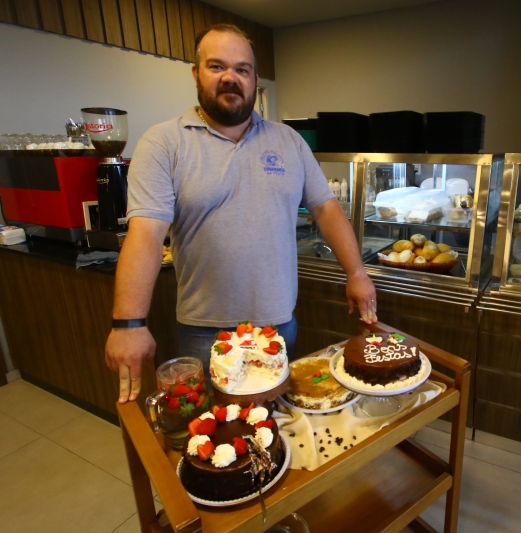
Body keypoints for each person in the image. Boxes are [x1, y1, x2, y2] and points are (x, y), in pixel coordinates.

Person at [105, 24, 377, 404]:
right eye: (216, 66)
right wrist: (129, 323)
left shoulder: (288, 141)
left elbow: (325, 207)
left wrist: (356, 272)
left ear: (253, 79)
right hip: (206, 331)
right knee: (220, 437)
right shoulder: (164, 142)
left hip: (278, 323)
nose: (231, 77)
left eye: (242, 69)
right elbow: (146, 235)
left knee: (273, 427)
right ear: (196, 73)